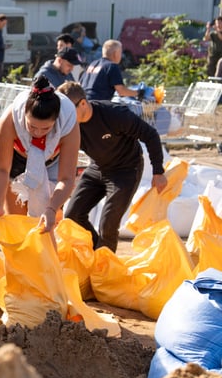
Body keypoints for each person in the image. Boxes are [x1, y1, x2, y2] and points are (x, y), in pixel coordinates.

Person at [57, 81, 167, 251]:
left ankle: (105, 270)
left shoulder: (114, 114)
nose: (65, 117)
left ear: (83, 104)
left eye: (68, 111)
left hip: (125, 171)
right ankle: (97, 253)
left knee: (108, 223)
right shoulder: (69, 126)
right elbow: (62, 156)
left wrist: (158, 171)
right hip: (97, 168)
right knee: (72, 215)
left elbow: (150, 134)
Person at [0, 75, 80, 234]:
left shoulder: (68, 123)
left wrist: (52, 209)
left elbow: (66, 178)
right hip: (18, 161)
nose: (37, 133)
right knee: (17, 228)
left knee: (46, 227)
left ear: (56, 122)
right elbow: (1, 168)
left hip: (52, 162)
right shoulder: (10, 119)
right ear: (23, 115)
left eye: (46, 129)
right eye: (31, 126)